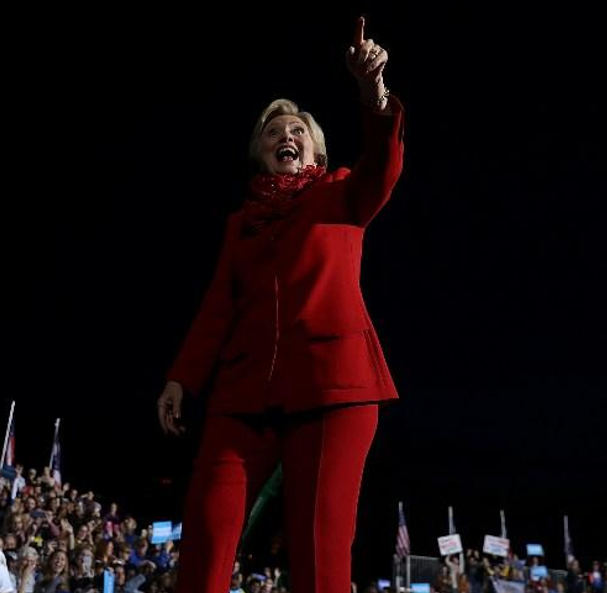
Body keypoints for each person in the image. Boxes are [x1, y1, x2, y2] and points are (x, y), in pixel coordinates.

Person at [156, 17, 404, 593]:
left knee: (319, 551)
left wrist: (374, 94)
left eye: (297, 130)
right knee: (206, 535)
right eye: (273, 132)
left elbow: (383, 166)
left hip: (332, 391)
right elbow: (218, 306)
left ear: (315, 149)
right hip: (242, 396)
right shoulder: (240, 225)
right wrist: (181, 378)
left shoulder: (342, 194)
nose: (285, 137)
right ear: (259, 152)